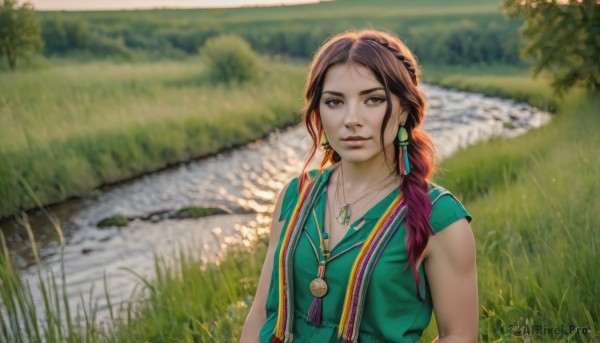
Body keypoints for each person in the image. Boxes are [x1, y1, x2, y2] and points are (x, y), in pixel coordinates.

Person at [240, 29, 478, 343]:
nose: (352, 119)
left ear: (405, 108)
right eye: (335, 102)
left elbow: (459, 335)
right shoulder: (294, 196)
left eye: (373, 99)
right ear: (319, 111)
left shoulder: (440, 218)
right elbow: (260, 312)